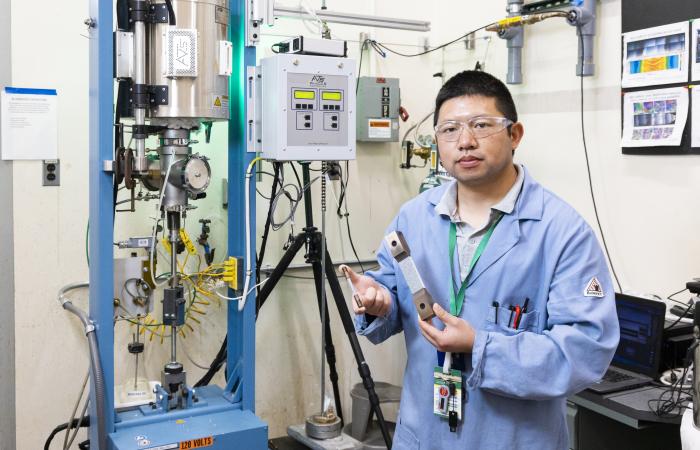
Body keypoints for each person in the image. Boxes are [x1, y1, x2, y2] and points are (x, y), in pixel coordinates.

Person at [340, 70, 619, 450]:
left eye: (481, 126)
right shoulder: (414, 216)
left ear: (515, 134)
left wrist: (481, 346)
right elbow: (391, 283)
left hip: (514, 439)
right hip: (424, 434)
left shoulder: (562, 232)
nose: (465, 142)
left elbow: (586, 350)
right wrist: (378, 301)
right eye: (449, 129)